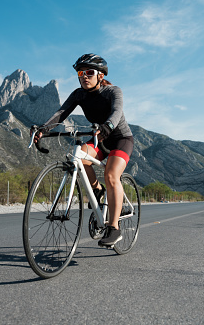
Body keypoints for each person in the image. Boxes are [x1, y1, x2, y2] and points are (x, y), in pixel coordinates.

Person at [33, 53, 134, 247]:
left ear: (100, 76)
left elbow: (116, 113)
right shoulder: (78, 94)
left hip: (120, 139)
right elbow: (61, 114)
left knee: (112, 175)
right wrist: (43, 129)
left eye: (89, 72)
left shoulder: (113, 91)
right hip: (99, 138)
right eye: (81, 73)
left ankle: (114, 228)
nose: (84, 76)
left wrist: (108, 126)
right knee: (78, 155)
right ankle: (97, 190)